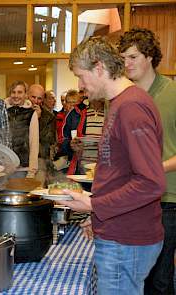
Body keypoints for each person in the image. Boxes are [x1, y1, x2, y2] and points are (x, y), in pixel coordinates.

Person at [57, 36, 166, 295]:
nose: (80, 86)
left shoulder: (131, 107)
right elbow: (122, 173)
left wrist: (95, 205)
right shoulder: (122, 103)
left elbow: (151, 182)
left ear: (99, 68)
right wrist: (99, 214)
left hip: (126, 242)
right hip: (120, 233)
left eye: (81, 76)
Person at [118, 27, 176, 295]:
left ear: (150, 56)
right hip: (132, 199)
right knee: (133, 277)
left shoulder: (172, 94)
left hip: (167, 199)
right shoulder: (121, 98)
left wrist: (153, 169)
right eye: (123, 58)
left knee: (159, 280)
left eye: (133, 57)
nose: (126, 64)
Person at [5, 80, 39, 178]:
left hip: (23, 169)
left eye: (20, 92)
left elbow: (34, 143)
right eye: (13, 92)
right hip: (5, 167)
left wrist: (32, 171)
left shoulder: (31, 113)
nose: (16, 95)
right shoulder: (2, 111)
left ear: (26, 94)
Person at [28, 84, 56, 185]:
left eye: (39, 98)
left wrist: (39, 120)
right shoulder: (21, 112)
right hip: (23, 161)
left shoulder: (49, 116)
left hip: (41, 160)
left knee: (37, 191)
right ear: (27, 95)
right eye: (33, 97)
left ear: (43, 99)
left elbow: (48, 140)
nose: (36, 101)